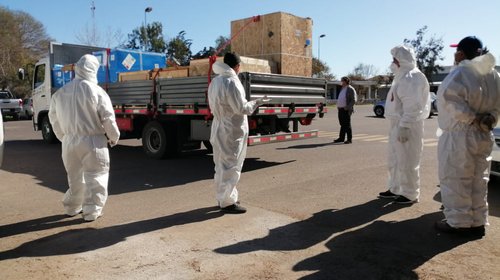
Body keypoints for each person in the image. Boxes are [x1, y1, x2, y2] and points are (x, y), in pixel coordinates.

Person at [435, 36, 500, 237]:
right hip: (484, 133)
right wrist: (490, 118)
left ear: (461, 53)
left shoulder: (461, 73)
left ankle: (459, 222)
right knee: (479, 179)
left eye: (457, 52)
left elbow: (449, 101)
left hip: (461, 135)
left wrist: (472, 118)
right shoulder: (493, 75)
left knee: (456, 178)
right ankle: (478, 221)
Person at [49, 54, 120, 222]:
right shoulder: (97, 91)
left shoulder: (59, 93)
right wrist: (113, 137)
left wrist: (64, 138)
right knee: (96, 176)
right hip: (93, 141)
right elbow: (108, 118)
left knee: (74, 177)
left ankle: (72, 207)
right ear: (93, 70)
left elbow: (54, 119)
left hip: (69, 142)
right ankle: (91, 211)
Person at [208, 52, 269, 214]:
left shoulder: (215, 81)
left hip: (219, 127)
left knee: (221, 165)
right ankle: (227, 202)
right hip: (231, 131)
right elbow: (242, 108)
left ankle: (224, 197)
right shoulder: (232, 82)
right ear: (237, 66)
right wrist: (257, 102)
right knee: (232, 165)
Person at [377, 45, 430, 204]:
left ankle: (410, 193)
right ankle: (395, 188)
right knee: (395, 158)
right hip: (398, 124)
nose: (393, 62)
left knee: (408, 160)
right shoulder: (402, 76)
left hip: (408, 125)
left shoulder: (412, 77)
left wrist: (405, 126)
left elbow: (413, 105)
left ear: (403, 60)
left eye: (395, 59)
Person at [333, 76, 357, 144]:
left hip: (346, 109)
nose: (341, 82)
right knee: (342, 124)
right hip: (340, 109)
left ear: (346, 81)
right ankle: (341, 138)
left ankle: (349, 139)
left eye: (342, 81)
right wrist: (338, 106)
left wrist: (347, 107)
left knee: (347, 124)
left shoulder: (350, 89)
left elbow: (354, 100)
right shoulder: (342, 88)